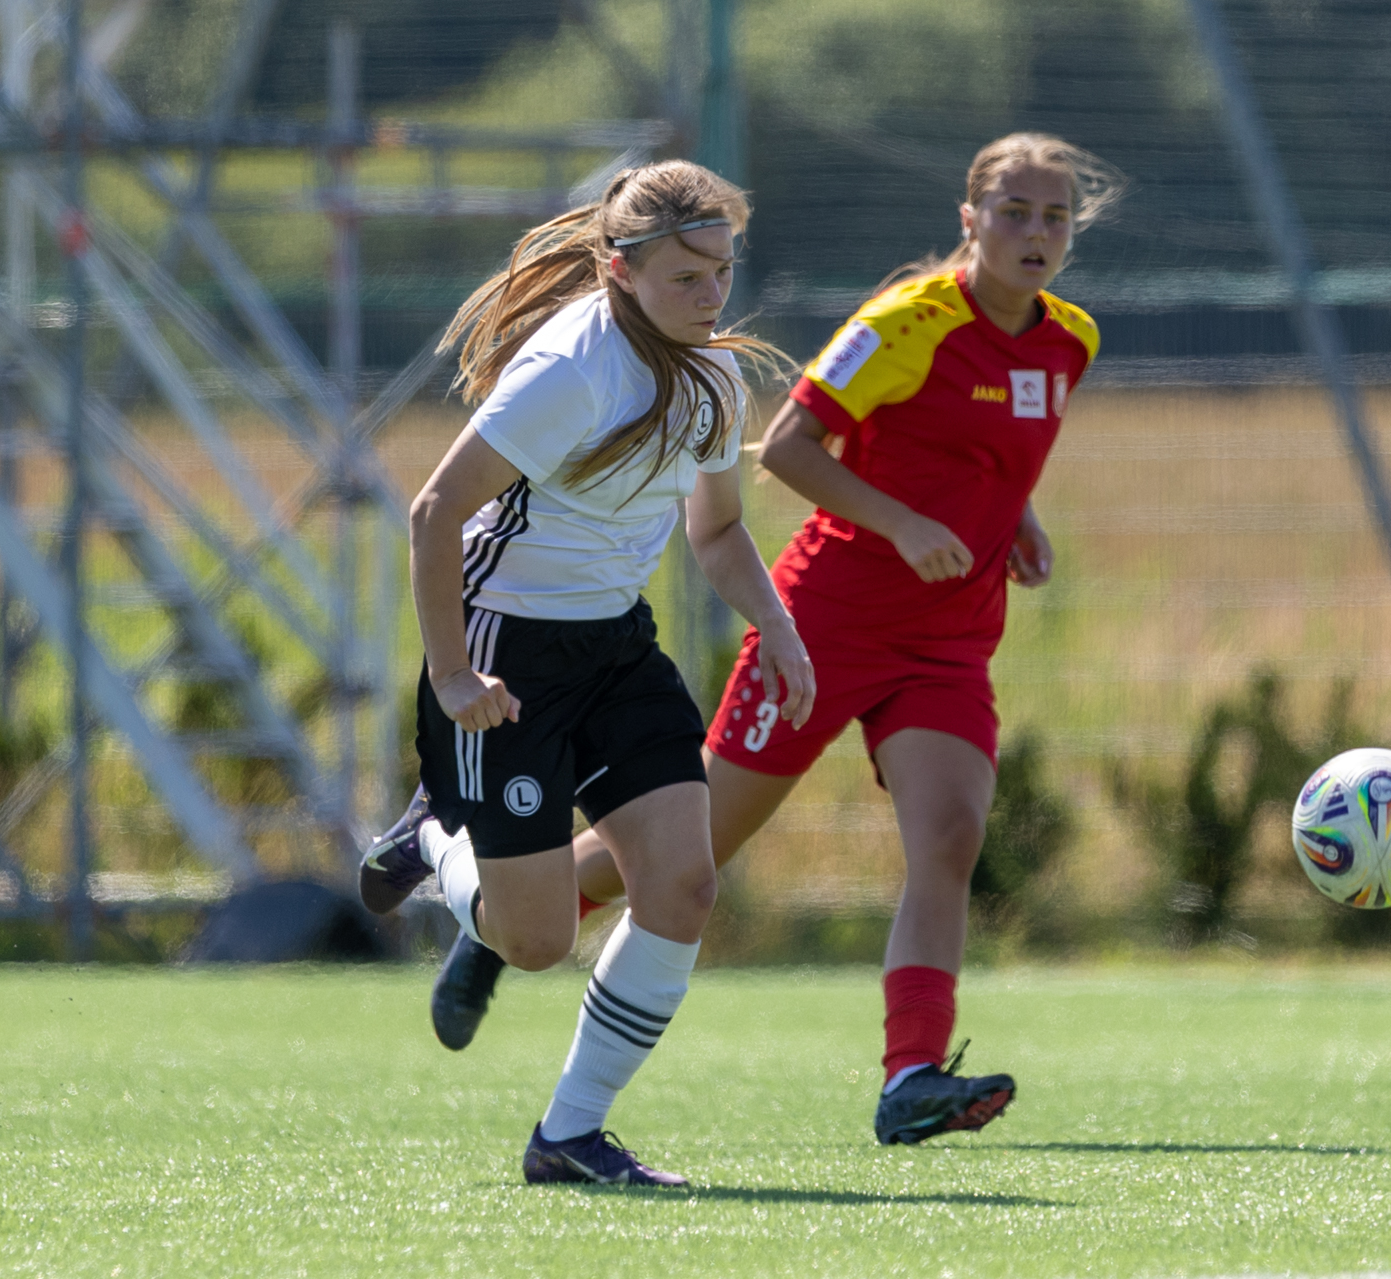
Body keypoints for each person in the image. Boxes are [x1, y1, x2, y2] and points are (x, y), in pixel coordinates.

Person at [430, 132, 1122, 1146]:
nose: (1035, 232)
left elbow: (984, 453)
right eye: (1013, 211)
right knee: (687, 852)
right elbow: (788, 447)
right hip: (832, 619)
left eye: (1054, 216)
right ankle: (503, 914)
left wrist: (1013, 516)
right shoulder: (907, 320)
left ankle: (911, 1074)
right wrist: (904, 526)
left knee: (950, 836)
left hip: (950, 637)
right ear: (970, 219)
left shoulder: (1071, 341)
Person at [356, 159, 814, 1187]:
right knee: (533, 939)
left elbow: (718, 530)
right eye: (687, 276)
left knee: (684, 883)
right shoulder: (572, 368)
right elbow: (435, 513)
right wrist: (453, 675)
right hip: (506, 651)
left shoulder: (714, 380)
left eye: (723, 272)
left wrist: (778, 627)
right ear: (620, 270)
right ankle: (429, 836)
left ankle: (569, 1135)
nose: (712, 295)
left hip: (616, 647)